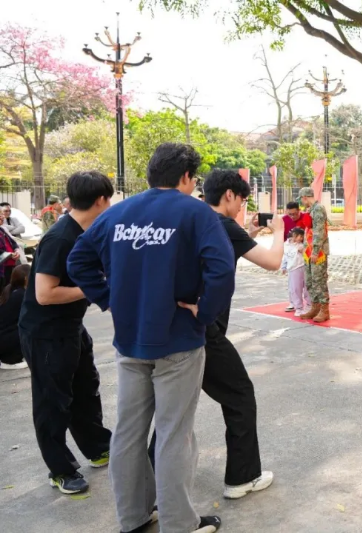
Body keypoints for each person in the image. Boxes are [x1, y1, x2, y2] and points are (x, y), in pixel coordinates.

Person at [67, 143, 235, 533]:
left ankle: (133, 518)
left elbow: (78, 261)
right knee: (174, 434)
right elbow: (222, 270)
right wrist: (204, 312)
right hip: (179, 341)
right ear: (187, 177)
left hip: (130, 342)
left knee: (128, 432)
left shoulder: (118, 213)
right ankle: (179, 524)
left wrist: (110, 299)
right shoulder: (195, 212)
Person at [147, 168, 284, 501]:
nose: (241, 208)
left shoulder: (190, 219)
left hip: (170, 323)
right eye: (242, 201)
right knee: (239, 396)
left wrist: (246, 232)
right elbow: (272, 261)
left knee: (174, 408)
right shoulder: (222, 225)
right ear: (229, 195)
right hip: (204, 329)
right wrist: (280, 231)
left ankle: (147, 485)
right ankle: (242, 477)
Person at [17, 171, 114, 496]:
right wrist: (96, 287)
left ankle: (98, 447)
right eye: (109, 199)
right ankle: (60, 470)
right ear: (100, 200)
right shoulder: (61, 238)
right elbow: (45, 293)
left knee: (86, 389)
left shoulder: (87, 231)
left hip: (71, 326)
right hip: (46, 333)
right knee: (53, 402)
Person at [297, 187, 331, 323]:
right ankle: (315, 307)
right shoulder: (310, 209)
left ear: (305, 197)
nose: (301, 202)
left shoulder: (318, 209)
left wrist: (315, 251)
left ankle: (324, 309)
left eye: (301, 199)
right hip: (308, 252)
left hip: (318, 252)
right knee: (310, 281)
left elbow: (319, 232)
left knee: (319, 280)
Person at [0, 264, 30, 370]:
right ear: (26, 278)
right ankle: (11, 360)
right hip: (7, 342)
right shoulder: (21, 295)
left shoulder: (10, 291)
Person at [281, 227, 310, 316]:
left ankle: (309, 305)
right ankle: (298, 307)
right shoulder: (286, 245)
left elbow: (307, 253)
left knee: (307, 287)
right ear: (294, 235)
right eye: (300, 236)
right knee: (295, 289)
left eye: (302, 237)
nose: (301, 238)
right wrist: (284, 266)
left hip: (303, 266)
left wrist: (303, 251)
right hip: (293, 269)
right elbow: (285, 256)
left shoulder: (301, 245)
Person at [0, 212, 21, 287]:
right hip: (3, 266)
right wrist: (10, 254)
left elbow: (13, 242)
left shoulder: (2, 229)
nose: (2, 217)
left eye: (2, 215)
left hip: (10, 264)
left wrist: (17, 250)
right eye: (0, 215)